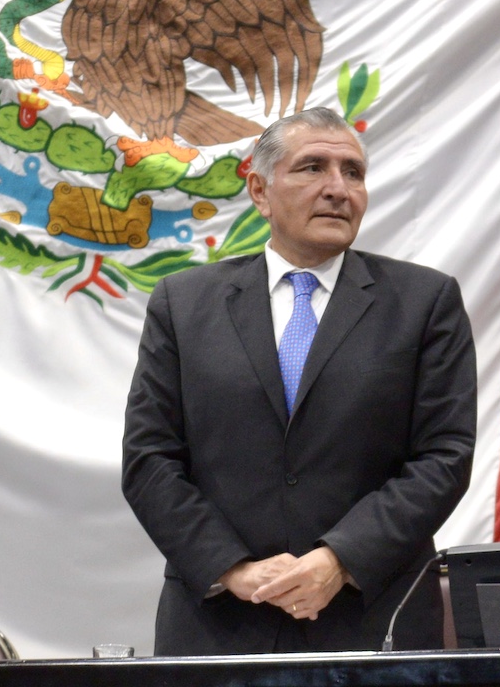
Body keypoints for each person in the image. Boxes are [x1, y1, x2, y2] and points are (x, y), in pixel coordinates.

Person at [122, 107, 476, 654]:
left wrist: (340, 560)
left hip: (374, 620)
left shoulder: (425, 302)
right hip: (219, 625)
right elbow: (150, 459)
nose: (338, 189)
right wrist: (234, 570)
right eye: (313, 167)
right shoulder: (183, 303)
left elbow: (444, 457)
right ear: (260, 191)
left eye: (353, 172)